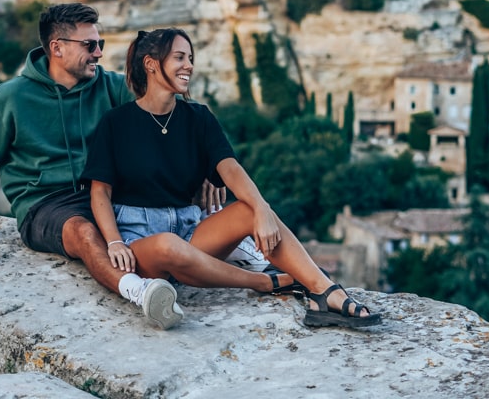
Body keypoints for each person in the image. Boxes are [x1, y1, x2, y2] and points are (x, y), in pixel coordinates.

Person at [82, 28, 381, 328]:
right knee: (168, 245)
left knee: (248, 210)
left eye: (190, 58)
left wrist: (262, 210)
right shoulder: (116, 123)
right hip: (143, 244)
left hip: (191, 232)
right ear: (150, 64)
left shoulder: (198, 118)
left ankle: (323, 291)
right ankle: (261, 282)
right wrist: (114, 242)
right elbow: (100, 194)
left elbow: (231, 169)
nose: (189, 65)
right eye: (179, 57)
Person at [0, 3, 200, 330]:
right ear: (57, 48)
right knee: (83, 231)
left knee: (174, 207)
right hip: (46, 204)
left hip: (105, 193)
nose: (99, 54)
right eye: (89, 46)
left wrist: (207, 173)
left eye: (100, 44)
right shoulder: (10, 99)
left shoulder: (112, 87)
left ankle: (240, 259)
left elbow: (173, 119)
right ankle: (140, 292)